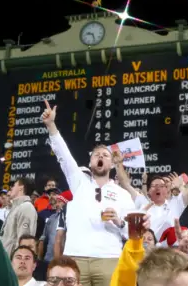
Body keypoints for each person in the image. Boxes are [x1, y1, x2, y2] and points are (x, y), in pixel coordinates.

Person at [42, 100, 134, 286]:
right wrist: (51, 125)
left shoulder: (123, 194)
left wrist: (118, 221)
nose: (100, 157)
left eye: (105, 155)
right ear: (90, 162)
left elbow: (132, 232)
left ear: (112, 164)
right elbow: (64, 155)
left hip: (109, 257)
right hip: (76, 256)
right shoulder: (78, 181)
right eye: (96, 155)